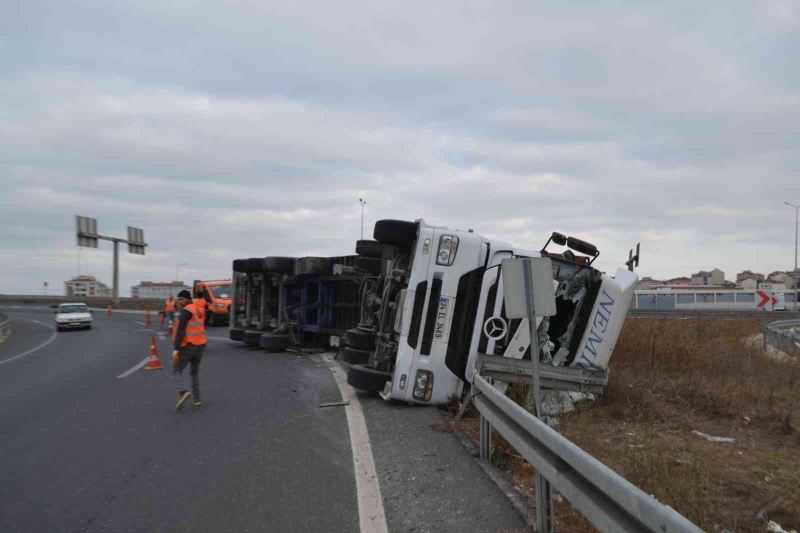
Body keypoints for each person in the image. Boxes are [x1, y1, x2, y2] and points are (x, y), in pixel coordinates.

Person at [172, 290, 207, 410]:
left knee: (176, 370)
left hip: (188, 345)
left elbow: (181, 330)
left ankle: (183, 392)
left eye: (181, 299)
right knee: (194, 372)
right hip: (200, 345)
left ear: (188, 299)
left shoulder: (186, 311)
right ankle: (197, 399)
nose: (179, 301)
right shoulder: (199, 309)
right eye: (178, 299)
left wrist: (176, 349)